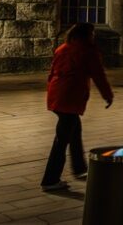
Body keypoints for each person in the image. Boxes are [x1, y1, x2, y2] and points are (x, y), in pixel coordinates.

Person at [41, 23, 114, 191]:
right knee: (61, 140)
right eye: (92, 33)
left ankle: (79, 168)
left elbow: (52, 73)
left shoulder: (63, 48)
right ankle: (50, 180)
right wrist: (108, 95)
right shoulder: (88, 51)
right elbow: (98, 76)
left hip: (57, 95)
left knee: (74, 131)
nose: (94, 36)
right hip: (69, 97)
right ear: (87, 35)